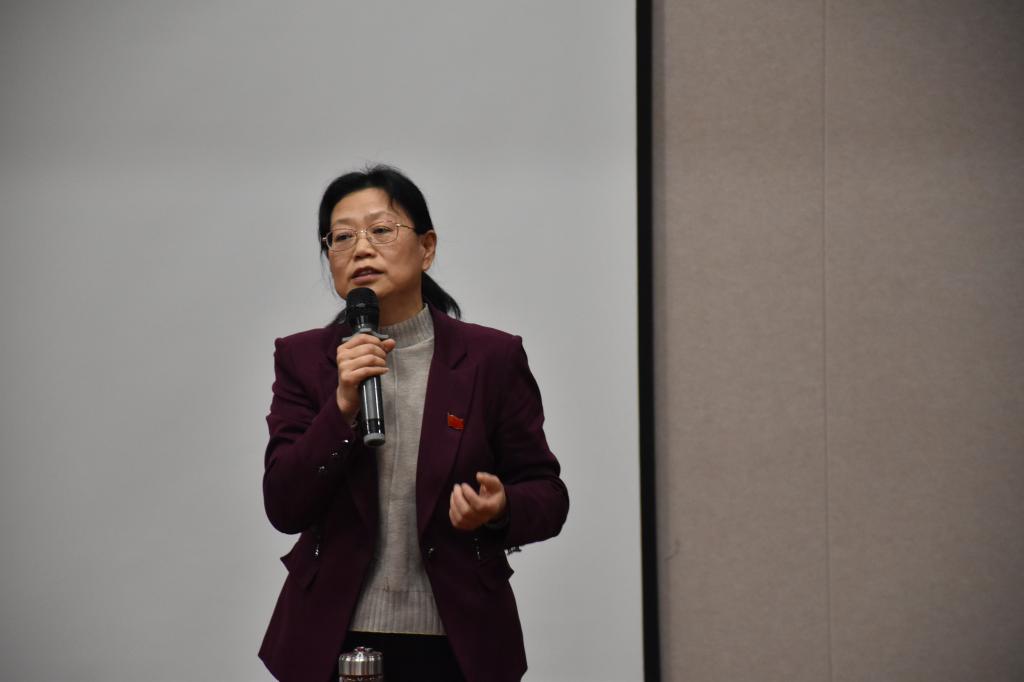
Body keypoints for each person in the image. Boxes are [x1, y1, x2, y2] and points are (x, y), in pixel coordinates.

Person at [258, 165, 569, 682]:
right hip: (330, 636)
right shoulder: (303, 359)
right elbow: (284, 505)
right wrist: (341, 408)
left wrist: (500, 508)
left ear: (427, 247)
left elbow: (549, 496)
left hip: (458, 642)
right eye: (341, 237)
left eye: (381, 230)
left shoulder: (491, 358)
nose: (361, 248)